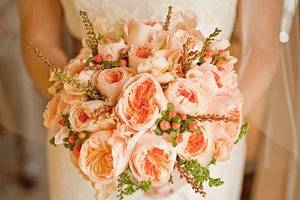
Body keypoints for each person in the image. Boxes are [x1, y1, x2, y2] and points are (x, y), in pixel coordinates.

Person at [17, 0, 284, 199]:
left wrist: (199, 136)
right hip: (92, 146)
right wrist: (78, 108)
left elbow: (262, 49)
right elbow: (38, 39)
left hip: (203, 145)